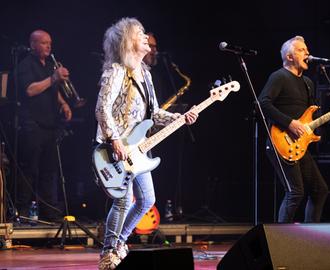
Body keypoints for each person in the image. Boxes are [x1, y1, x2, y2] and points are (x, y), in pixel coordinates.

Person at [95, 17, 198, 269]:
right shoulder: (117, 70)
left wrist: (179, 117)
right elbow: (102, 108)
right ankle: (108, 252)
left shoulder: (146, 74)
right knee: (123, 199)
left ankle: (119, 241)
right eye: (139, 33)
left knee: (147, 200)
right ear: (127, 41)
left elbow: (152, 115)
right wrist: (115, 139)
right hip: (116, 147)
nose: (145, 37)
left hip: (139, 148)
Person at [259, 35, 330, 223]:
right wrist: (289, 123)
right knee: (295, 192)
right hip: (279, 142)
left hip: (299, 145)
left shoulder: (308, 83)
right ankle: (281, 243)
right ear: (289, 57)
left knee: (319, 190)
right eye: (301, 50)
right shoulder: (279, 76)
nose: (307, 53)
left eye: (307, 50)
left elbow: (312, 117)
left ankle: (310, 238)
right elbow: (262, 103)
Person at [16, 29, 72, 222]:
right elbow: (30, 90)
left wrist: (64, 103)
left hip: (49, 125)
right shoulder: (26, 65)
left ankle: (50, 213)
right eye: (43, 43)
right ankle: (22, 212)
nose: (48, 46)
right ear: (33, 45)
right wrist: (53, 78)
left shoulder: (49, 65)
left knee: (49, 171)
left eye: (50, 42)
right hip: (32, 125)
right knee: (29, 170)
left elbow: (53, 90)